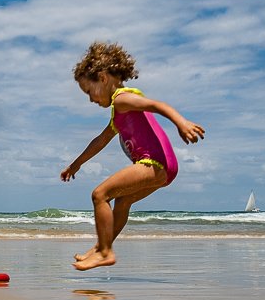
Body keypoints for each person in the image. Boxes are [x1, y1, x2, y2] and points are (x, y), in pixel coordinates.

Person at [60, 42, 205, 271]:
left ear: (103, 78)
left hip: (153, 164)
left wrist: (181, 123)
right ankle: (101, 248)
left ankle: (105, 252)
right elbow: (100, 140)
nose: (90, 99)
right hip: (166, 168)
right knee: (123, 200)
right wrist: (75, 165)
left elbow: (156, 104)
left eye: (89, 91)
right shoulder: (117, 114)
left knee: (100, 195)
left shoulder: (122, 99)